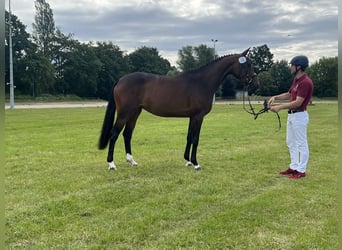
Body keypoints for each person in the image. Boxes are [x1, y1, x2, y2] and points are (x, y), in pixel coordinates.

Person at [268, 55, 313, 179]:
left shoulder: (305, 82)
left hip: (299, 115)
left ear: (298, 67)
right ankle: (294, 167)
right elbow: (289, 94)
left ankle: (301, 170)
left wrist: (279, 107)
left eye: (292, 65)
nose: (290, 67)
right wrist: (275, 97)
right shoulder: (297, 81)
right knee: (291, 142)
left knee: (301, 144)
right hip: (292, 116)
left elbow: (298, 102)